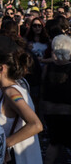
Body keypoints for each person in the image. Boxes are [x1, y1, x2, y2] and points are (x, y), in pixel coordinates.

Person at [0, 36, 43, 164]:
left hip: (19, 159)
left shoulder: (11, 93)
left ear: (1, 69)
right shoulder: (7, 90)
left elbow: (36, 125)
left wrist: (5, 144)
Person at [42, 34, 71, 164]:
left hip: (51, 113)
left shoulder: (48, 67)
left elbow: (44, 86)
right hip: (68, 113)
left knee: (54, 143)